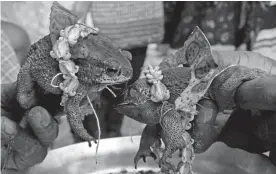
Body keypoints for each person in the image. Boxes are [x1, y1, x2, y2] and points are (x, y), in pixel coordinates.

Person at [71, 1, 165, 138]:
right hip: (107, 22)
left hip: (140, 24)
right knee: (96, 88)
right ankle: (94, 136)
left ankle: (112, 132)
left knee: (124, 83)